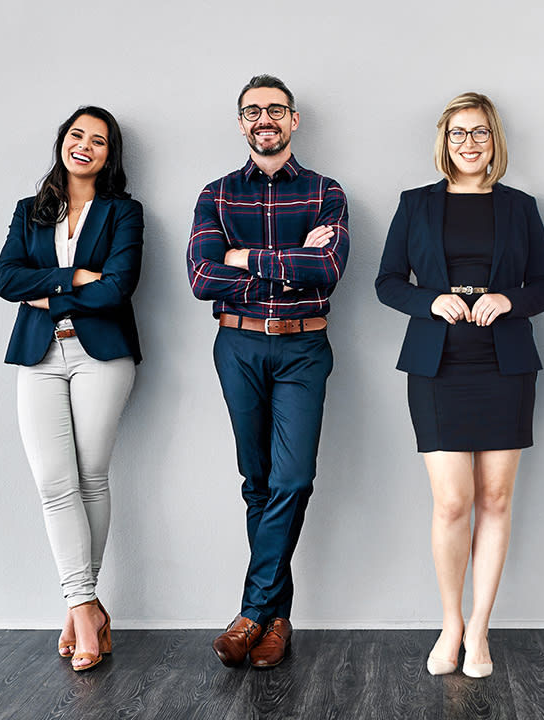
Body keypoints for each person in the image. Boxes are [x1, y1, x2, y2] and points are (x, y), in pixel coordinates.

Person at [376, 92, 544, 678]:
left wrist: (508, 299)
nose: (469, 144)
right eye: (458, 134)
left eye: (479, 133)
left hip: (504, 364)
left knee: (496, 500)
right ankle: (450, 623)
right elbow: (387, 283)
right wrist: (431, 300)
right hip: (437, 365)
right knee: (452, 502)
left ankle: (479, 631)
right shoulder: (416, 204)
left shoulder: (521, 206)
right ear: (444, 140)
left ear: (494, 140)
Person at [187, 74, 349, 670]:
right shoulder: (217, 194)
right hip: (239, 346)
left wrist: (242, 257)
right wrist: (289, 261)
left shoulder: (327, 191)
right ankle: (277, 620)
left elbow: (327, 271)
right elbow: (202, 279)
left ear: (294, 119)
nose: (265, 119)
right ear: (240, 123)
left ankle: (251, 612)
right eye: (253, 111)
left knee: (293, 479)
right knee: (256, 482)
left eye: (275, 110)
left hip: (304, 349)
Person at [0, 106, 143, 672]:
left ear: (110, 155)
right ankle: (85, 607)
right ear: (63, 142)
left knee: (89, 477)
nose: (85, 146)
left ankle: (81, 611)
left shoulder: (124, 212)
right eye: (77, 135)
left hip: (101, 355)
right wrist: (75, 277)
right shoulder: (29, 212)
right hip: (38, 354)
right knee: (53, 483)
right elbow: (6, 278)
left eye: (98, 141)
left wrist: (50, 293)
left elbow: (117, 289)